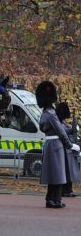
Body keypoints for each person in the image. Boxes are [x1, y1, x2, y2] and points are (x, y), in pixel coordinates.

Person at [36, 80, 80, 209]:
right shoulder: (51, 114)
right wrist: (70, 145)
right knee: (59, 174)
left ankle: (51, 199)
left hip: (50, 143)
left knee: (53, 174)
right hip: (57, 145)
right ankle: (55, 200)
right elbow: (61, 132)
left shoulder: (44, 113)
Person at [55, 101, 80, 198]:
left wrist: (74, 115)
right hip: (62, 149)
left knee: (68, 171)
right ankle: (65, 191)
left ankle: (68, 190)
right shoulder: (58, 124)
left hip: (67, 149)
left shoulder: (62, 123)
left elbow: (73, 130)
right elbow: (64, 133)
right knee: (65, 171)